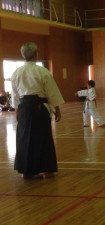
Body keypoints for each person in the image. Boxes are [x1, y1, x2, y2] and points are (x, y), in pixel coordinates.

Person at [11, 42, 65, 179]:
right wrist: (57, 109)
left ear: (23, 55)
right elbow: (51, 92)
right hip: (39, 108)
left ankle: (26, 171)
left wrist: (18, 111)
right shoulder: (42, 71)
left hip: (24, 108)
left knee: (24, 138)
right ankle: (46, 170)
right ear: (36, 54)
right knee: (43, 137)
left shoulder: (17, 72)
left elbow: (15, 95)